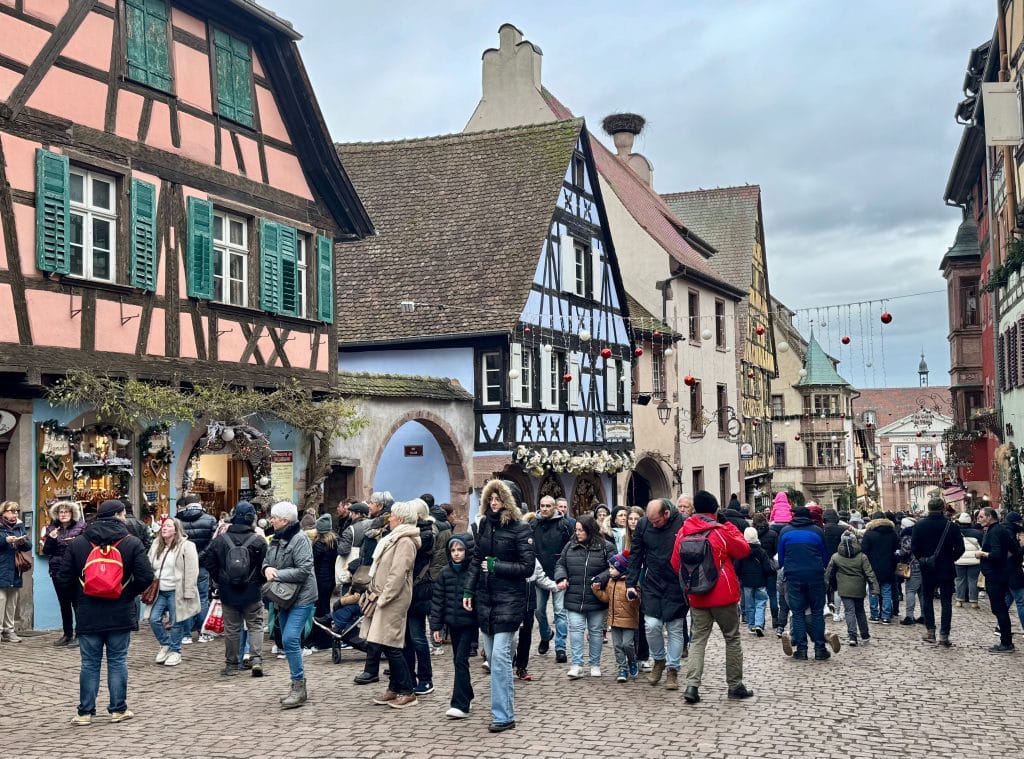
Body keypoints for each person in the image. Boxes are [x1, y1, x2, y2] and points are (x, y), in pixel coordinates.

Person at [57, 499, 153, 725]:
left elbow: (63, 579)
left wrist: (80, 597)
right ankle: (118, 709)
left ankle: (84, 713)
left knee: (89, 663)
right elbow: (146, 576)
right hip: (120, 610)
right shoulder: (131, 542)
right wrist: (126, 592)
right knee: (118, 660)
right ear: (120, 515)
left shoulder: (79, 543)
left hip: (88, 610)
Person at [463, 479, 534, 733]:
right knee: (493, 660)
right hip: (486, 598)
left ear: (509, 501)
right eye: (491, 499)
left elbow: (527, 568)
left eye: (499, 499)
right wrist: (469, 589)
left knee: (501, 658)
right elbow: (476, 560)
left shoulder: (520, 528)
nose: (494, 503)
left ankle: (503, 715)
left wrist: (497, 566)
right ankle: (504, 707)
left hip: (510, 599)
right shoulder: (483, 526)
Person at [671, 490, 753, 704]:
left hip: (697, 595)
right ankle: (735, 685)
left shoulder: (683, 531)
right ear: (715, 509)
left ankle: (692, 686)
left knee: (698, 640)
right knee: (732, 638)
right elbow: (744, 549)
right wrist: (729, 526)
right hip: (723, 594)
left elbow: (674, 563)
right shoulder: (721, 530)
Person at [362, 500, 422, 709]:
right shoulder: (395, 538)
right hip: (383, 596)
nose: (390, 518)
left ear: (401, 519)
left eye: (393, 516)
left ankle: (407, 690)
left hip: (393, 599)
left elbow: (398, 573)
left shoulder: (405, 541)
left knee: (390, 644)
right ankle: (394, 687)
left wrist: (385, 596)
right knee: (384, 643)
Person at [626, 498, 688, 690]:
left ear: (667, 514)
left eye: (657, 522)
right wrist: (631, 582)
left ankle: (673, 670)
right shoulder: (644, 524)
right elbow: (636, 554)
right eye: (651, 521)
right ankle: (659, 660)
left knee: (675, 628)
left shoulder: (683, 523)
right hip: (652, 583)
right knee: (651, 625)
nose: (653, 524)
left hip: (676, 584)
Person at [201, 501, 267, 677]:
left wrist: (219, 578)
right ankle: (256, 660)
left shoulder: (221, 540)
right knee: (255, 625)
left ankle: (231, 664)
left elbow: (206, 560)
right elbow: (266, 565)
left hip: (228, 591)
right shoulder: (259, 541)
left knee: (232, 628)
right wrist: (258, 580)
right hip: (252, 590)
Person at [263, 501, 318, 708]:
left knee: (290, 639)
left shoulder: (300, 539)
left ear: (285, 520)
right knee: (286, 641)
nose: (271, 520)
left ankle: (299, 686)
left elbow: (304, 570)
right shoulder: (276, 539)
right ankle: (297, 684)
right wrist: (266, 568)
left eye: (275, 517)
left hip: (302, 596)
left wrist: (276, 574)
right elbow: (267, 561)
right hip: (284, 596)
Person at [555, 513, 615, 678]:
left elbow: (613, 567)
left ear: (589, 530)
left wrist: (600, 579)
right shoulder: (570, 546)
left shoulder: (606, 546)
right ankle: (577, 664)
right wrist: (562, 577)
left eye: (581, 530)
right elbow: (561, 563)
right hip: (574, 595)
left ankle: (595, 664)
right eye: (576, 530)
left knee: (595, 631)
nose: (578, 533)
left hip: (596, 596)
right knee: (575, 629)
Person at [778, 504, 834, 660]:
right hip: (815, 576)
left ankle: (801, 650)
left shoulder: (785, 532)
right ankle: (820, 649)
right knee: (817, 612)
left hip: (793, 577)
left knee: (797, 613)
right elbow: (825, 557)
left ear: (793, 516)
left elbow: (781, 560)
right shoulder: (817, 531)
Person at [430, 532, 477, 718]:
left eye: (460, 550)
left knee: (460, 660)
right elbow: (438, 601)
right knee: (458, 660)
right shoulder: (445, 573)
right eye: (453, 550)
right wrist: (436, 627)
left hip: (469, 623)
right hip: (453, 624)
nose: (456, 553)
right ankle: (468, 694)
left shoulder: (473, 572)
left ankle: (460, 703)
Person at [147, 517, 199, 668]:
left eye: (168, 526)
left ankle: (176, 651)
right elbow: (150, 564)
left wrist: (188, 591)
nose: (164, 528)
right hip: (160, 590)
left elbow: (191, 570)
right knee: (153, 618)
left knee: (177, 622)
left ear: (176, 529)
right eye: (163, 526)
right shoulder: (156, 544)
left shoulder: (186, 546)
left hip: (176, 590)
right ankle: (166, 644)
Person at [911, 498, 963, 647]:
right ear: (943, 508)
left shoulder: (919, 525)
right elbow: (960, 548)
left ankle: (930, 632)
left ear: (928, 507)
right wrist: (950, 559)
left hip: (927, 569)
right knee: (946, 602)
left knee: (927, 599)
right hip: (946, 569)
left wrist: (922, 559)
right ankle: (944, 635)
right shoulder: (951, 526)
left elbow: (915, 547)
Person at [533, 494, 573, 662]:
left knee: (560, 612)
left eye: (548, 506)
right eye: (542, 505)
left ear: (555, 507)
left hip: (559, 573)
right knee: (538, 610)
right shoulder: (533, 525)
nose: (545, 509)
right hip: (539, 574)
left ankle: (560, 647)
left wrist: (566, 573)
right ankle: (546, 634)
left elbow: (570, 549)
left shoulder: (564, 525)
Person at [42, 500, 87, 646]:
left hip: (75, 569)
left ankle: (80, 634)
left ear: (72, 513)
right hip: (57, 570)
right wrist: (51, 538)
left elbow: (87, 547)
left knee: (77, 603)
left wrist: (74, 543)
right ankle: (67, 634)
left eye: (66, 512)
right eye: (61, 512)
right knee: (64, 603)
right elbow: (47, 551)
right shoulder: (52, 528)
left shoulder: (81, 527)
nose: (63, 514)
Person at [404, 498, 436, 695]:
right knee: (407, 637)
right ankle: (409, 675)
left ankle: (425, 678)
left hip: (419, 590)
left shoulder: (424, 533)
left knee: (417, 636)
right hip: (410, 589)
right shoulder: (415, 531)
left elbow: (417, 548)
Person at [593, 551, 640, 682]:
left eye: (612, 568)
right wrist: (596, 590)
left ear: (621, 568)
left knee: (627, 644)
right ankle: (622, 668)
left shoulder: (631, 582)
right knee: (618, 646)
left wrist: (634, 596)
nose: (610, 570)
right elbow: (606, 598)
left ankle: (632, 661)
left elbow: (638, 599)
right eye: (610, 568)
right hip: (614, 620)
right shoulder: (610, 582)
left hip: (629, 620)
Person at [175, 495, 217, 642]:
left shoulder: (178, 520)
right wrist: (201, 556)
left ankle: (186, 634)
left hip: (183, 564)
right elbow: (214, 542)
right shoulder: (210, 519)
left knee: (185, 597)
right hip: (203, 564)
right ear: (199, 504)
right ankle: (203, 632)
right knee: (203, 597)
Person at [826, 532, 878, 646]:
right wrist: (875, 588)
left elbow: (828, 574)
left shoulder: (836, 557)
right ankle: (864, 634)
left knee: (849, 611)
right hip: (859, 587)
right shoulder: (862, 557)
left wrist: (825, 588)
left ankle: (852, 636)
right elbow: (869, 573)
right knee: (860, 611)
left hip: (844, 587)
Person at [975, 507, 1015, 653]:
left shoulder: (995, 531)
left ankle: (1006, 642)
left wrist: (982, 554)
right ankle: (1006, 640)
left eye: (981, 517)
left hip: (996, 575)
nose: (978, 519)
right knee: (1000, 608)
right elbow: (1015, 549)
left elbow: (997, 554)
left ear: (990, 517)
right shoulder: (1000, 530)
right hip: (1000, 573)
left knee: (999, 608)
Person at [860, 512, 899, 624]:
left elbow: (864, 551)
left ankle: (875, 615)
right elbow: (897, 549)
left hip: (873, 566)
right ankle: (886, 616)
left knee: (873, 591)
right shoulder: (892, 533)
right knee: (886, 591)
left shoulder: (869, 533)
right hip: (888, 566)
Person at [0, 501, 31, 642]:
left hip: (15, 569)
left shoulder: (19, 526)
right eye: (12, 511)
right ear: (3, 512)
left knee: (12, 601)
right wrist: (4, 540)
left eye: (17, 511)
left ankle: (9, 631)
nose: (15, 514)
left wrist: (22, 542)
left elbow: (28, 546)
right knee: (1, 600)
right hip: (2, 566)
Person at [736, 527, 772, 635]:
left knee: (749, 604)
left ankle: (751, 625)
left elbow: (737, 567)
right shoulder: (761, 551)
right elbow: (767, 568)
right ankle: (759, 624)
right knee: (760, 603)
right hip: (760, 581)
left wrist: (739, 577)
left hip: (746, 582)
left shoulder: (741, 551)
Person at [753, 512, 780, 630]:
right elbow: (777, 551)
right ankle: (775, 619)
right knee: (772, 594)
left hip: (756, 568)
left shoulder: (753, 535)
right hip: (770, 567)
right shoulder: (773, 534)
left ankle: (759, 621)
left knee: (759, 596)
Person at [311, 514, 338, 621]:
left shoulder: (319, 544)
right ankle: (325, 628)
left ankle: (321, 631)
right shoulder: (334, 541)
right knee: (325, 604)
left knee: (319, 607)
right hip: (331, 578)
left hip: (319, 579)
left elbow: (313, 561)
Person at [954, 511, 983, 609]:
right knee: (973, 580)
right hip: (974, 560)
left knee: (960, 580)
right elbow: (982, 546)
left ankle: (959, 600)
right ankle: (974, 602)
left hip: (959, 560)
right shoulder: (977, 533)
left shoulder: (955, 532)